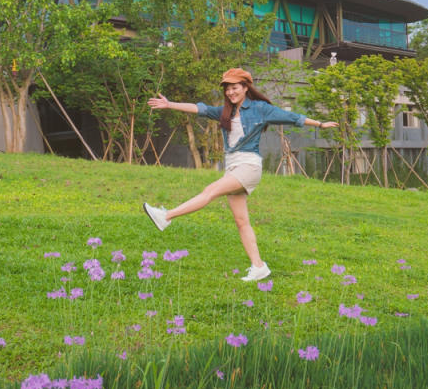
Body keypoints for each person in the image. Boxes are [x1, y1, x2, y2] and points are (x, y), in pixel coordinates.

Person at [143, 67, 338, 282]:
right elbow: (200, 109)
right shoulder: (225, 112)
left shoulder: (260, 109)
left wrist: (320, 124)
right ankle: (259, 266)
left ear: (245, 88)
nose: (230, 93)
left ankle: (166, 216)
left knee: (210, 191)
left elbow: (292, 117)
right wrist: (170, 104)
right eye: (227, 89)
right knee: (241, 221)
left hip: (249, 165)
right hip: (233, 166)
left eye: (235, 88)